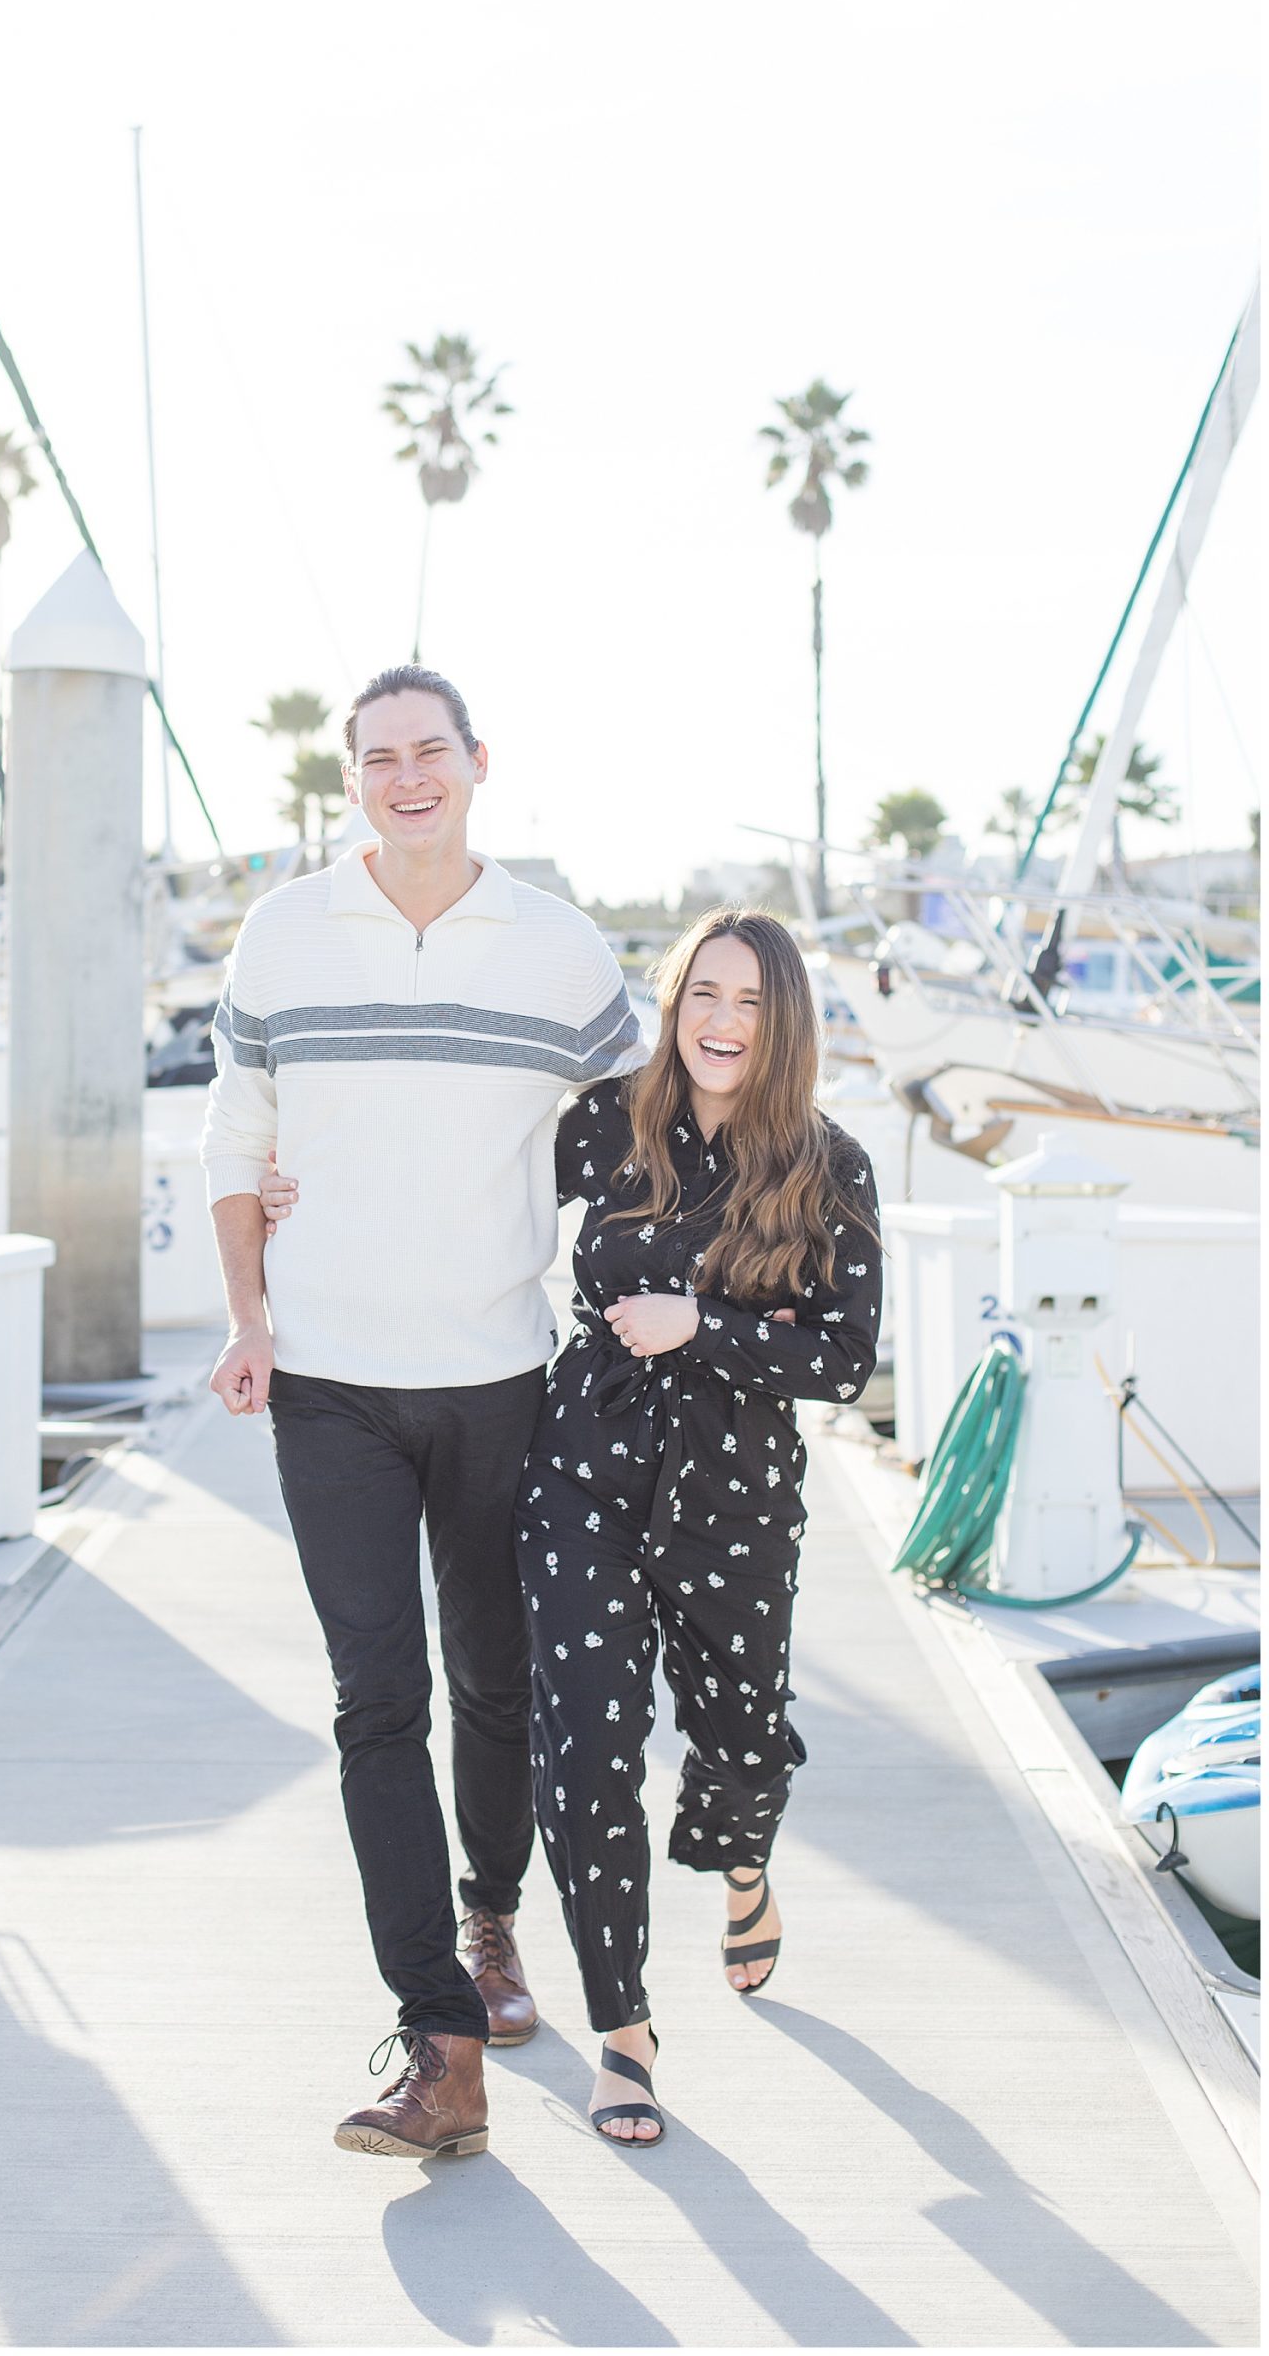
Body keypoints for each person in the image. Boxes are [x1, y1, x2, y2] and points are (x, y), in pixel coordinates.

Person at [201, 665, 642, 2160]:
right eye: (377, 759)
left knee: (495, 1681)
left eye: (428, 753)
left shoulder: (555, 946)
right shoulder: (285, 930)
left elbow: (662, 1107)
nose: (406, 778)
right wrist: (252, 1312)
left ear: (476, 764)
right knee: (375, 1702)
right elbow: (236, 1121)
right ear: (354, 783)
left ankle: (494, 1918)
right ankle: (438, 2036)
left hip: (500, 1377)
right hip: (327, 1381)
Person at [518, 907, 880, 2145]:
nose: (723, 1023)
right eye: (703, 996)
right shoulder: (604, 1125)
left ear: (783, 1025)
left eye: (752, 1004)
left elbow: (842, 1357)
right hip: (583, 1467)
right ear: (672, 1004)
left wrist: (700, 1324)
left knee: (736, 1736)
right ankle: (623, 2030)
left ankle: (741, 1867)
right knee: (588, 1746)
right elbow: (468, 1197)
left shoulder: (827, 1165)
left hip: (736, 1488)